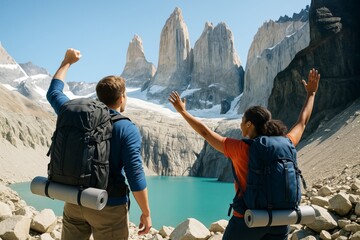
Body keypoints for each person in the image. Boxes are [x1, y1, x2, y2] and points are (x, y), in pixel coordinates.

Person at [168, 68, 320, 239]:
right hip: (281, 219)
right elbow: (303, 122)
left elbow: (206, 133)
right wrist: (311, 94)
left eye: (242, 121)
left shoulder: (240, 148)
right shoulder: (287, 142)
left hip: (247, 220)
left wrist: (183, 111)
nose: (240, 125)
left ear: (249, 125)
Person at [47, 48, 152, 240]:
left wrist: (67, 61)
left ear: (99, 97)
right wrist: (146, 212)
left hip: (75, 199)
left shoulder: (75, 114)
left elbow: (53, 92)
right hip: (108, 206)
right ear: (121, 99)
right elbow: (135, 173)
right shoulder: (126, 127)